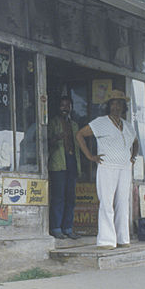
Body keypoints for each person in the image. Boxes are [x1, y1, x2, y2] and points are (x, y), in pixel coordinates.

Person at [76, 89, 139, 249]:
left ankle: (122, 239)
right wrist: (90, 156)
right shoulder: (100, 122)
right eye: (113, 103)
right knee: (106, 203)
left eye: (119, 103)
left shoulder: (128, 126)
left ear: (123, 106)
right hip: (107, 166)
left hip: (125, 168)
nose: (116, 106)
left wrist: (133, 157)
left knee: (123, 203)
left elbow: (135, 142)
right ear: (108, 106)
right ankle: (106, 240)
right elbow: (80, 135)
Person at [47, 95, 81, 240]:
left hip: (71, 161)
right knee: (58, 197)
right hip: (58, 163)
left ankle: (68, 228)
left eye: (68, 106)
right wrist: (56, 138)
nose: (65, 108)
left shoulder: (74, 125)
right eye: (62, 105)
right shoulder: (52, 123)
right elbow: (45, 142)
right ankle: (56, 228)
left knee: (70, 198)